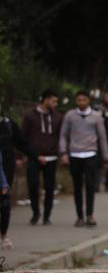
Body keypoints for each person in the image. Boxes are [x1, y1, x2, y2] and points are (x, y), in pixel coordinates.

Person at [59, 90, 108, 227]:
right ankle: (79, 216)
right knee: (77, 186)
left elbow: (102, 137)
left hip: (90, 154)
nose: (81, 102)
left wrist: (106, 157)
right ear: (76, 101)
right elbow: (63, 135)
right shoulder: (70, 116)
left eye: (84, 100)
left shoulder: (96, 117)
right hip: (75, 154)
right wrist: (63, 152)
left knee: (90, 184)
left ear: (88, 101)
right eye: (79, 100)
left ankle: (90, 215)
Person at [22, 89, 63, 226]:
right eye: (53, 101)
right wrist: (25, 154)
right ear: (45, 100)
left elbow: (60, 136)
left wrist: (60, 152)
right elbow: (23, 137)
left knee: (50, 187)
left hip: (51, 156)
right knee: (33, 185)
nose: (55, 104)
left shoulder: (57, 117)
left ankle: (47, 216)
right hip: (34, 156)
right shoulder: (30, 115)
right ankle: (35, 213)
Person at [0, 109, 34, 249]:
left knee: (4, 203)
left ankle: (3, 236)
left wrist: (36, 155)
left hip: (5, 171)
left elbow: (21, 142)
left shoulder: (8, 124)